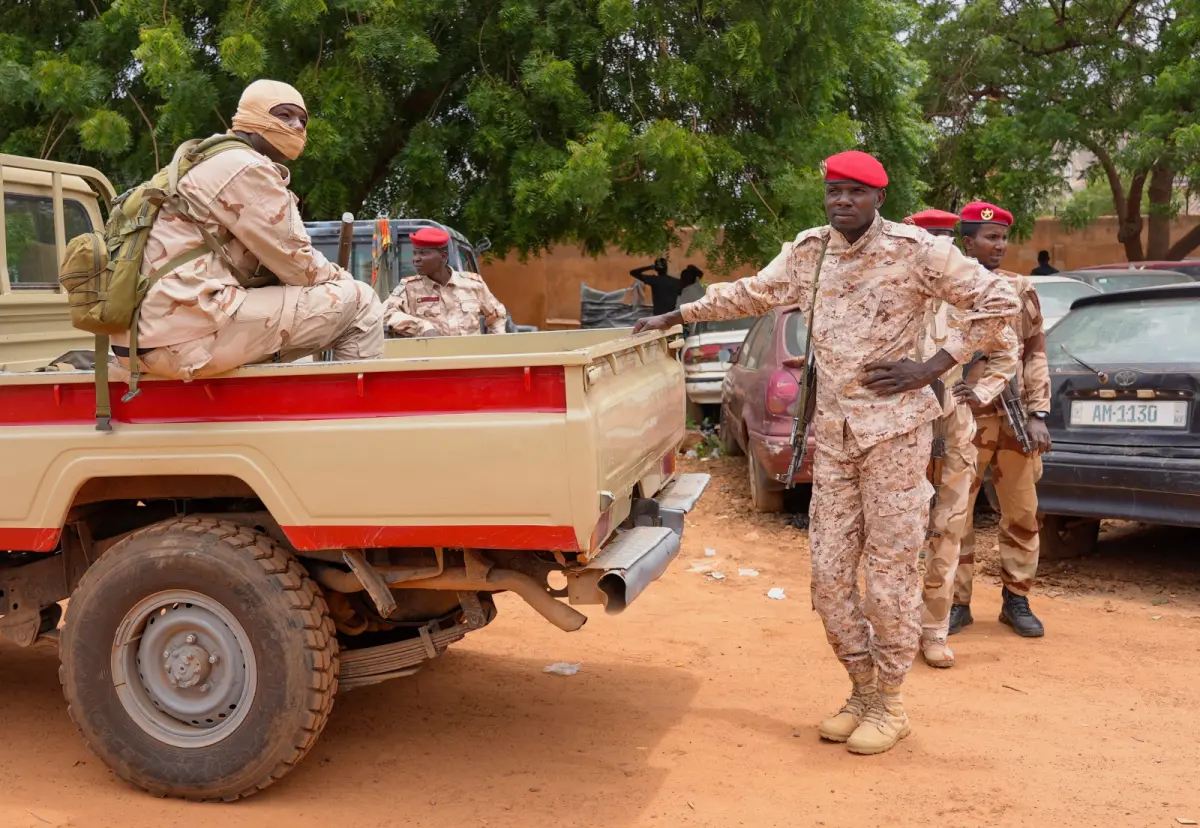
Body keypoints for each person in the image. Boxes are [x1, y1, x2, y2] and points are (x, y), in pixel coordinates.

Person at [634, 151, 1020, 755]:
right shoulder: (810, 252)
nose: (842, 202)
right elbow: (753, 292)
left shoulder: (918, 251)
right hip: (834, 437)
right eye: (834, 192)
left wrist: (933, 366)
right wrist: (678, 314)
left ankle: (891, 704)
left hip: (896, 435)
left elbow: (1000, 303)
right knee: (829, 581)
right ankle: (860, 690)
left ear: (878, 199)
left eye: (855, 193)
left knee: (889, 581)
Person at [112, 80, 384, 381]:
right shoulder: (245, 167)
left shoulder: (204, 159)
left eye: (302, 120)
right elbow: (300, 268)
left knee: (282, 298)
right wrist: (341, 278)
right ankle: (350, 416)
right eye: (284, 115)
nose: (297, 126)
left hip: (144, 339)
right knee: (361, 301)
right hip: (186, 337)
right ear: (252, 116)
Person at [905, 209, 1019, 668]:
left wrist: (980, 393)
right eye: (928, 239)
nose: (936, 249)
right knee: (895, 532)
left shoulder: (968, 292)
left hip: (952, 423)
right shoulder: (895, 290)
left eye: (942, 240)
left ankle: (933, 630)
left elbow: (1006, 353)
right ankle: (891, 626)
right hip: (899, 424)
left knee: (949, 527)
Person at [950, 202, 1052, 639]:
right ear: (967, 242)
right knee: (954, 516)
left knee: (1022, 513)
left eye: (1004, 238)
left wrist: (1038, 413)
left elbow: (1034, 354)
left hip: (1013, 421)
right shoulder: (946, 288)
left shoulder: (1020, 288)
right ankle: (956, 603)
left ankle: (1017, 599)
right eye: (990, 238)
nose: (1000, 245)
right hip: (962, 421)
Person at [384, 227, 508, 337]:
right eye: (415, 253)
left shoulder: (473, 284)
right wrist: (421, 326)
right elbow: (385, 315)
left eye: (423, 253)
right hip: (432, 360)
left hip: (469, 359)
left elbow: (497, 315)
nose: (416, 259)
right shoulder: (408, 287)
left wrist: (494, 345)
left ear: (443, 256)